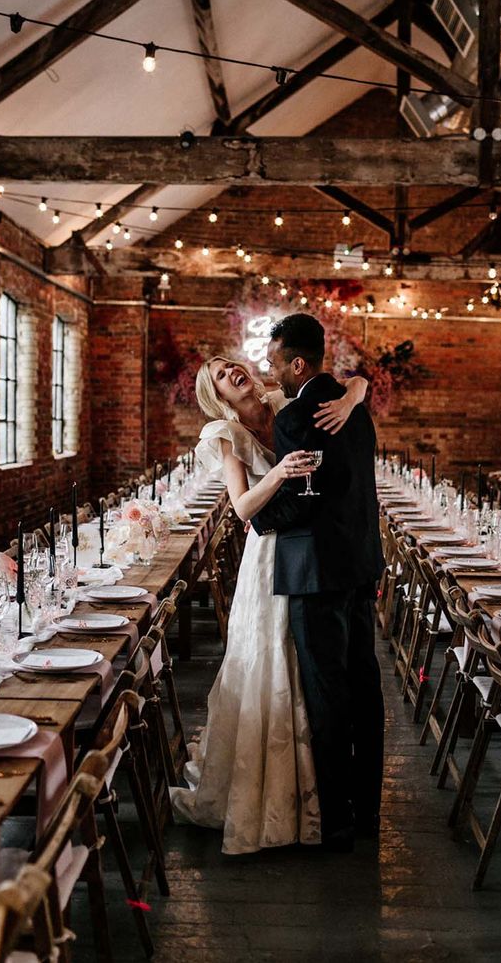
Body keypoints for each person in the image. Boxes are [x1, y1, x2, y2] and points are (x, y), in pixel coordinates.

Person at [169, 354, 368, 854]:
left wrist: (349, 397)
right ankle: (276, 792)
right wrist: (278, 472)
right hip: (270, 554)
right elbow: (240, 508)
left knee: (310, 670)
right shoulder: (225, 433)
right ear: (217, 394)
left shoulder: (286, 403)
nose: (232, 372)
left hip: (311, 547)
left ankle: (319, 791)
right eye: (219, 375)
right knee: (271, 662)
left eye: (232, 364)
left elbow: (360, 381)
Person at [251, 314, 384, 853]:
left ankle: (337, 822)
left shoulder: (298, 414)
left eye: (275, 361)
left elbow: (305, 491)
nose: (270, 369)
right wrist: (357, 388)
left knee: (327, 696)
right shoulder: (355, 407)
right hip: (359, 564)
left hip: (315, 572)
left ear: (297, 362)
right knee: (364, 687)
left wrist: (259, 518)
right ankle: (369, 809)